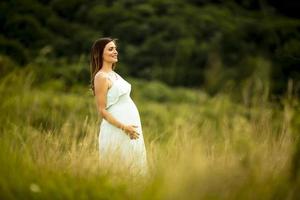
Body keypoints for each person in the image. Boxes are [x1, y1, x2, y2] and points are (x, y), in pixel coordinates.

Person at [90, 37, 148, 175]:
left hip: (130, 128)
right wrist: (124, 127)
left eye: (115, 48)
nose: (115, 51)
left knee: (134, 164)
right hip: (118, 129)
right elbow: (102, 110)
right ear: (100, 54)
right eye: (110, 49)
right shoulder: (101, 77)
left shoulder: (114, 75)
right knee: (119, 167)